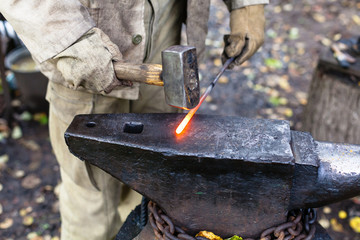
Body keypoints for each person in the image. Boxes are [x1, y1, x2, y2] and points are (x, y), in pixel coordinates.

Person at [0, 0, 268, 239]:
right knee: (90, 205)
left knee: (151, 197)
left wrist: (246, 4)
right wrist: (69, 40)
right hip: (84, 62)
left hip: (164, 47)